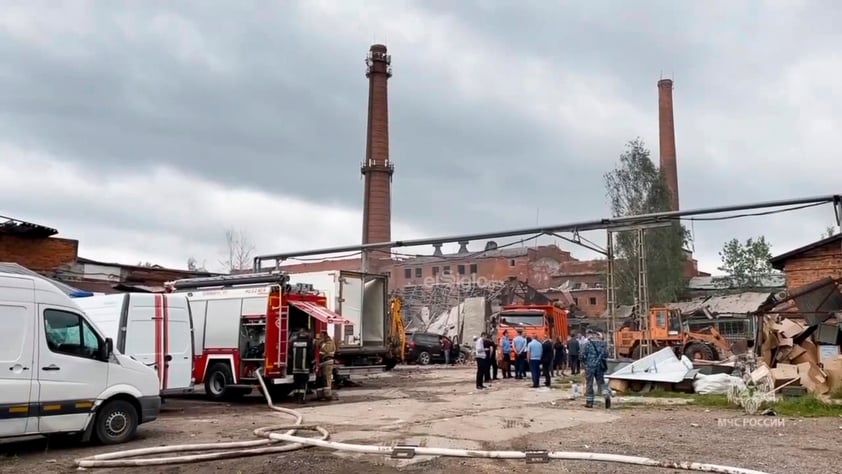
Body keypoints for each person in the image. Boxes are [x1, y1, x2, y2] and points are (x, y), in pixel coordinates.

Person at [581, 331, 611, 409]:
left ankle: (589, 402)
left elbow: (582, 355)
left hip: (590, 366)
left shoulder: (587, 344)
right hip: (600, 366)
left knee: (589, 383)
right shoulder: (603, 344)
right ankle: (606, 394)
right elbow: (606, 354)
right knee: (601, 382)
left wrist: (585, 363)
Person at [290, 328, 315, 404]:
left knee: (296, 383)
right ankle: (301, 399)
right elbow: (310, 354)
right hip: (304, 368)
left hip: (295, 368)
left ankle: (296, 398)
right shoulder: (308, 342)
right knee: (303, 384)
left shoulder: (293, 342)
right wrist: (312, 363)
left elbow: (290, 353)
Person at [316, 331, 336, 401]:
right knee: (321, 379)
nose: (320, 337)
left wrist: (321, 343)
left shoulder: (330, 343)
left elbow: (326, 350)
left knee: (327, 379)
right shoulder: (323, 342)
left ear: (325, 336)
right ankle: (321, 395)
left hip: (328, 362)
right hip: (322, 362)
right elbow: (317, 345)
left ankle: (328, 395)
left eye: (321, 336)